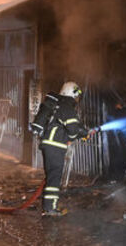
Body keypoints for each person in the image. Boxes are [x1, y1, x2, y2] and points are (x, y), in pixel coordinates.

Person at [30, 81, 88, 216]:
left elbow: (66, 126)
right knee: (54, 177)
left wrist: (79, 133)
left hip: (50, 145)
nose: (77, 99)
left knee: (52, 177)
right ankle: (50, 209)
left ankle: (49, 206)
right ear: (71, 93)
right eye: (76, 95)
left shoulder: (58, 105)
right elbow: (73, 129)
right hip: (55, 146)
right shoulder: (66, 106)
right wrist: (77, 134)